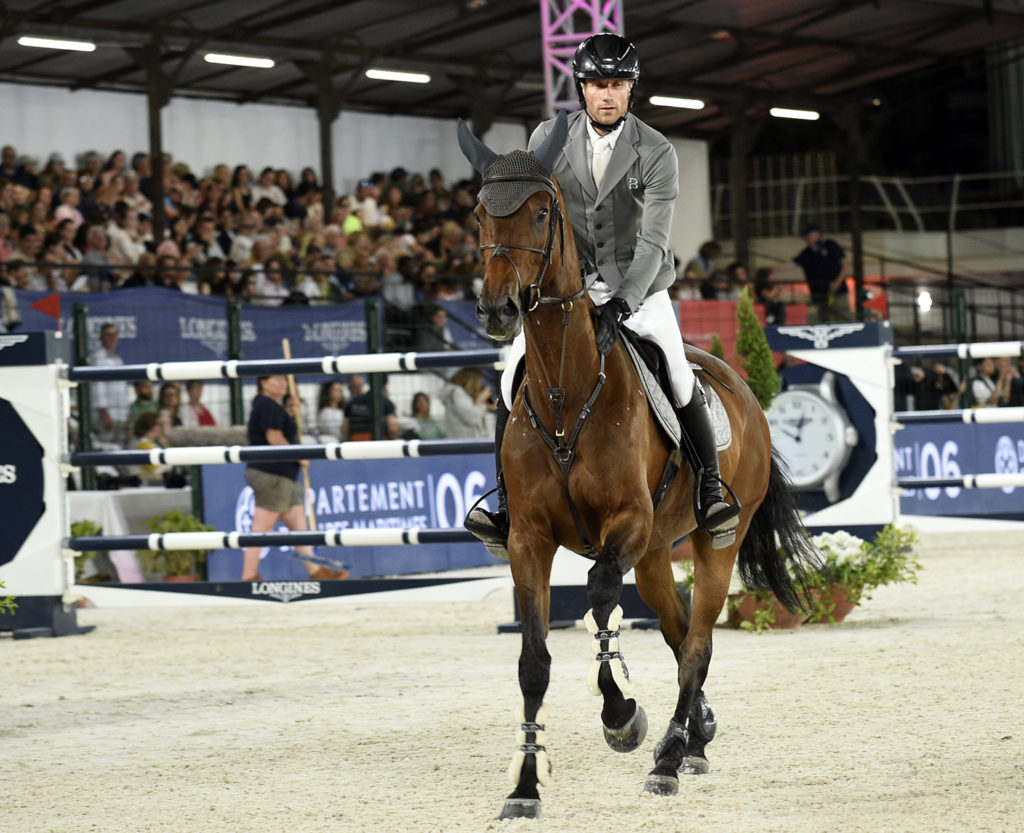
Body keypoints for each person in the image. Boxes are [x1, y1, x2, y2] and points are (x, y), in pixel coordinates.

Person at [465, 32, 741, 555]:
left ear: (631, 89)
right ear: (582, 88)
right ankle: (504, 502)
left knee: (677, 373)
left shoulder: (656, 151)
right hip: (567, 290)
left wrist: (622, 302)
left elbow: (656, 241)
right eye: (596, 85)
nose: (607, 95)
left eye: (616, 85)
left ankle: (709, 491)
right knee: (510, 379)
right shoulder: (550, 135)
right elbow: (529, 210)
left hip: (639, 286)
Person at [240, 375, 346, 582]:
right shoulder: (267, 405)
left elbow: (280, 430)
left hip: (283, 477)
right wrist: (300, 454)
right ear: (263, 382)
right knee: (260, 530)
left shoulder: (271, 407)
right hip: (273, 475)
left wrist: (289, 413)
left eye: (284, 380)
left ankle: (317, 573)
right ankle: (248, 577)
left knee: (299, 529)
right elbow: (274, 439)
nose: (283, 383)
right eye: (277, 379)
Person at [787, 223, 851, 323]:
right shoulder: (807, 253)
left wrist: (837, 282)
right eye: (806, 236)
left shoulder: (831, 246)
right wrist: (770, 269)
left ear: (817, 234)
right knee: (822, 320)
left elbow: (845, 264)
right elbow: (793, 263)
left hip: (838, 292)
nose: (807, 238)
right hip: (819, 295)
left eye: (810, 235)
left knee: (842, 318)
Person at [89, 322, 131, 446]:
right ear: (101, 338)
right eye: (108, 335)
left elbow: (123, 389)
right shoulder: (97, 359)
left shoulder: (118, 360)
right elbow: (97, 387)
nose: (112, 338)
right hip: (106, 415)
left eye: (114, 335)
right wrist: (104, 413)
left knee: (120, 448)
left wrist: (127, 412)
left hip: (120, 414)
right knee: (106, 447)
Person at [342, 376, 399, 441]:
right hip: (380, 439)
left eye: (359, 386)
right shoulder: (385, 402)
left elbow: (345, 426)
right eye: (355, 386)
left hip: (356, 439)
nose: (357, 389)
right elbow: (392, 426)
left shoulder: (351, 402)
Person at [441, 367, 490, 438]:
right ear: (473, 380)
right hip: (463, 442)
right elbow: (472, 417)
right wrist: (480, 398)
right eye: (480, 381)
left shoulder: (460, 393)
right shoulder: (457, 393)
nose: (481, 384)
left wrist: (488, 406)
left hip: (464, 441)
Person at [129, 410, 172, 482]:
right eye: (158, 424)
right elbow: (158, 470)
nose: (160, 428)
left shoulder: (151, 442)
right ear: (151, 426)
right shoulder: (142, 444)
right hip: (144, 483)